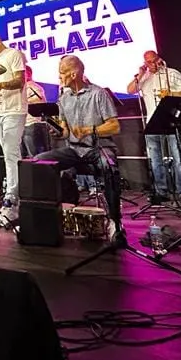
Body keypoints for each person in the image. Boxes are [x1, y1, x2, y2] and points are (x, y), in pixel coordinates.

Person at [33, 55, 125, 243]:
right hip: (74, 150)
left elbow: (115, 126)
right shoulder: (63, 99)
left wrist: (89, 130)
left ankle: (116, 221)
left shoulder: (98, 94)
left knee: (109, 168)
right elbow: (66, 132)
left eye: (62, 73)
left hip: (99, 147)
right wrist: (58, 132)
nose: (59, 78)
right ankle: (57, 216)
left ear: (73, 74)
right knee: (40, 161)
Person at [126, 50, 181, 205]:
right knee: (155, 159)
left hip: (172, 121)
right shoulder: (144, 78)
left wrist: (172, 95)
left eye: (153, 60)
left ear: (159, 59)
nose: (152, 64)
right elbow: (130, 90)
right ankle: (161, 191)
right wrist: (140, 74)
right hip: (152, 122)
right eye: (148, 62)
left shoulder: (172, 74)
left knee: (178, 158)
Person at [0, 32, 26, 220]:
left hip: (14, 110)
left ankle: (12, 198)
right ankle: (14, 192)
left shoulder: (14, 54)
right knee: (7, 154)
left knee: (11, 154)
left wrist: (0, 85)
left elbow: (20, 81)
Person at [21, 66, 49, 158]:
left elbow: (41, 101)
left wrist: (24, 102)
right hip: (23, 124)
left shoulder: (33, 87)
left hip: (32, 124)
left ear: (28, 74)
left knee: (34, 155)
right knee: (25, 155)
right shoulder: (23, 87)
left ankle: (39, 172)